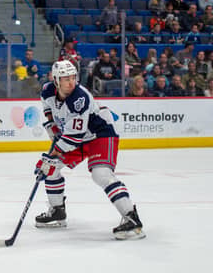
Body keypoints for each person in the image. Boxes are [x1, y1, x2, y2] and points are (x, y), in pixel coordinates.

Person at [34, 60, 145, 240]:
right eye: (65, 78)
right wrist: (52, 126)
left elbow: (73, 138)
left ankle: (132, 219)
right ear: (56, 80)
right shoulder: (47, 90)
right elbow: (48, 108)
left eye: (73, 77)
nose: (71, 82)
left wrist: (52, 155)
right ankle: (57, 212)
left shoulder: (79, 98)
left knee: (101, 174)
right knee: (51, 169)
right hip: (76, 136)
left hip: (99, 134)